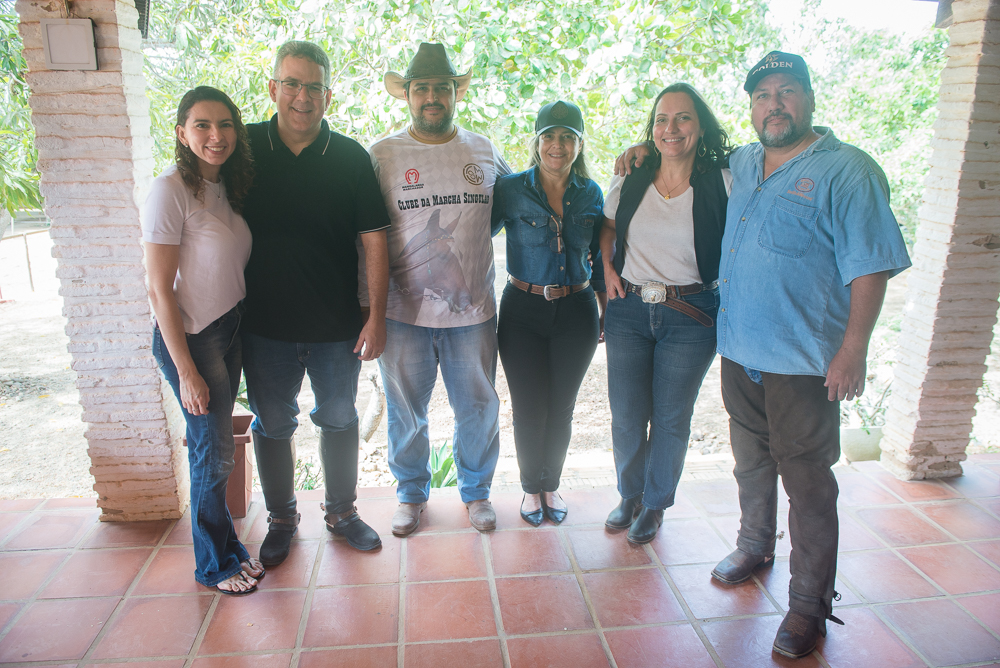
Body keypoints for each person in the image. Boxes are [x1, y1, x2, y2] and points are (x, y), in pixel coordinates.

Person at [712, 52, 910, 658]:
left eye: (787, 91)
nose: (774, 104)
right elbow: (682, 155)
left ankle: (808, 606)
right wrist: (638, 154)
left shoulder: (848, 172)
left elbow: (870, 267)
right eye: (762, 94)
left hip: (802, 363)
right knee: (750, 462)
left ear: (809, 98)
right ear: (750, 107)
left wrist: (853, 350)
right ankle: (754, 543)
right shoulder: (743, 163)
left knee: (809, 486)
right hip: (739, 349)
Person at [240, 41, 391, 564]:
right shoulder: (244, 147)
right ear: (273, 88)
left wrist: (376, 314)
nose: (302, 97)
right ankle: (281, 519)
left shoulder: (350, 156)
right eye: (292, 84)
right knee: (273, 423)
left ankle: (342, 512)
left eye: (314, 87)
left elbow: (374, 238)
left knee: (340, 419)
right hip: (264, 328)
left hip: (336, 327)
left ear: (329, 94)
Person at [368, 43, 511, 536]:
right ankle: (411, 494)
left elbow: (519, 202)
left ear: (456, 93)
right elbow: (362, 232)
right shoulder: (382, 155)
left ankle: (476, 493)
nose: (433, 96)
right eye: (423, 88)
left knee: (477, 404)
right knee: (406, 408)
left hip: (472, 312)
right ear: (407, 94)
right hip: (401, 313)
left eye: (443, 88)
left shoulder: (485, 150)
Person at [600, 84, 732, 545]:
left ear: (701, 126)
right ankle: (629, 495)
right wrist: (608, 267)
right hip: (629, 310)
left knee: (672, 417)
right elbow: (610, 226)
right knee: (626, 414)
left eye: (682, 118)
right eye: (661, 119)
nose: (670, 128)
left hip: (691, 315)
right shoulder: (633, 174)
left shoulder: (723, 178)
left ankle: (655, 505)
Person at [144, 86, 263, 594]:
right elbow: (157, 288)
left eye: (225, 124)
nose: (216, 136)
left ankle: (230, 547)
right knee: (211, 452)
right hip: (193, 337)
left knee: (214, 449)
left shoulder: (223, 186)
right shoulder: (168, 189)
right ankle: (213, 564)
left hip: (228, 326)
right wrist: (187, 369)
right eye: (201, 125)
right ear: (181, 133)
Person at [491, 101, 606, 526]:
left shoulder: (591, 193)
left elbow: (596, 255)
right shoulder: (510, 189)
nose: (557, 145)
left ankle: (550, 484)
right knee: (528, 406)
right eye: (549, 136)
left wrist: (604, 305)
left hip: (576, 312)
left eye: (567, 137)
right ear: (537, 141)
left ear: (579, 143)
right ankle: (528, 489)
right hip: (522, 310)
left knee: (561, 407)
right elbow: (472, 233)